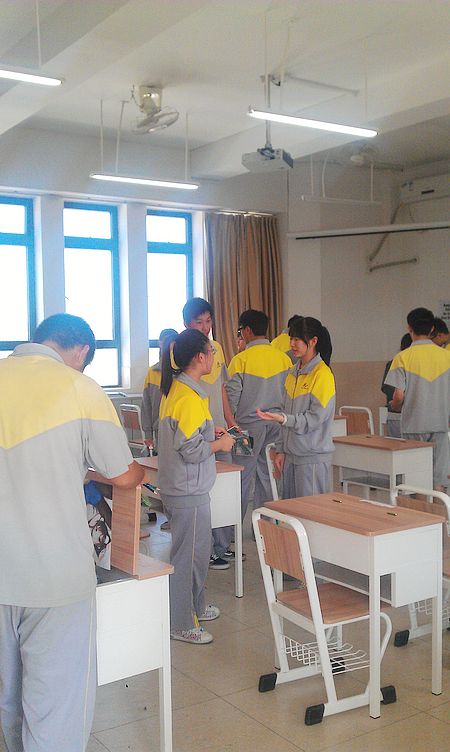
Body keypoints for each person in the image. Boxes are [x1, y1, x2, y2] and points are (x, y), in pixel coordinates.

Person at [0, 313, 144, 752]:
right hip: (56, 575)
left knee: (8, 701)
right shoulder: (80, 388)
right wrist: (136, 471)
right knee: (56, 710)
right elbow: (123, 475)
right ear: (81, 350)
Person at [157, 329, 234, 644]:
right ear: (200, 357)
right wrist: (220, 444)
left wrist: (210, 433)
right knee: (188, 558)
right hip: (187, 489)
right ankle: (180, 622)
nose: (214, 357)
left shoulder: (181, 390)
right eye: (211, 352)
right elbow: (190, 450)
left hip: (186, 487)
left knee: (197, 554)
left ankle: (195, 607)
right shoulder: (187, 397)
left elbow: (188, 435)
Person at [183, 297, 235, 569]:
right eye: (199, 322)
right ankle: (205, 550)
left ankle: (222, 546)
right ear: (187, 324)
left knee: (225, 488)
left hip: (219, 430)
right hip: (197, 432)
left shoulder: (217, 349)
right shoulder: (181, 351)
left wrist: (230, 420)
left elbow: (222, 388)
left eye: (208, 321)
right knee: (203, 492)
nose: (205, 327)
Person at [256, 315, 335, 497]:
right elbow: (284, 412)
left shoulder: (323, 375)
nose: (292, 344)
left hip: (312, 457)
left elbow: (315, 418)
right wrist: (281, 449)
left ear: (313, 341)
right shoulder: (293, 373)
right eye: (291, 338)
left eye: (298, 339)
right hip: (291, 456)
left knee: (311, 511)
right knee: (291, 510)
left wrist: (285, 419)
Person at [225, 309, 292, 520]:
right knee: (269, 476)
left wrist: (230, 425)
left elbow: (231, 398)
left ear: (246, 330)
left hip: (245, 430)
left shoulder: (240, 360)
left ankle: (234, 528)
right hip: (277, 426)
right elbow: (290, 395)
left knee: (241, 476)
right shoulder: (284, 359)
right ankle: (265, 527)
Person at [384, 307, 450, 491]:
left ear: (409, 328)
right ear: (432, 329)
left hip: (414, 424)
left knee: (416, 477)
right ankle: (440, 509)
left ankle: (421, 509)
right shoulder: (446, 356)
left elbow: (398, 396)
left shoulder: (402, 357)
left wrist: (395, 406)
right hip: (440, 423)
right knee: (438, 478)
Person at [142, 328, 178, 452]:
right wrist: (148, 434)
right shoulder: (152, 372)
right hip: (160, 430)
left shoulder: (183, 372)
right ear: (160, 344)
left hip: (181, 429)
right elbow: (146, 406)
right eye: (166, 342)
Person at [381, 333, 412, 438]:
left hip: (397, 414)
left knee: (397, 446)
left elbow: (387, 388)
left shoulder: (394, 362)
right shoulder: (395, 363)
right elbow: (391, 391)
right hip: (400, 414)